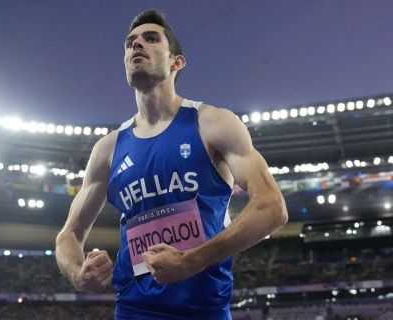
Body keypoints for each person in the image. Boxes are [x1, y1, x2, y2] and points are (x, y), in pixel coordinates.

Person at [56, 9, 288, 319]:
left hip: (204, 309)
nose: (136, 46)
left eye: (151, 39)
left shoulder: (213, 123)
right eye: (130, 43)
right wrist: (76, 272)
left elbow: (272, 207)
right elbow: (69, 233)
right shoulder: (108, 149)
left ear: (176, 62)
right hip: (132, 309)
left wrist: (192, 260)